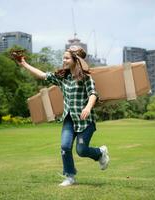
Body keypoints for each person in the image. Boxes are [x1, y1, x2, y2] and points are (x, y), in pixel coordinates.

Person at [17, 46, 110, 187]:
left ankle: (100, 153)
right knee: (65, 146)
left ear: (75, 60)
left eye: (66, 58)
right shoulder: (62, 78)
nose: (63, 60)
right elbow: (42, 75)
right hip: (69, 119)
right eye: (63, 57)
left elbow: (93, 94)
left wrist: (88, 107)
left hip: (85, 121)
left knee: (81, 150)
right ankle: (69, 176)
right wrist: (24, 64)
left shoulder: (86, 78)